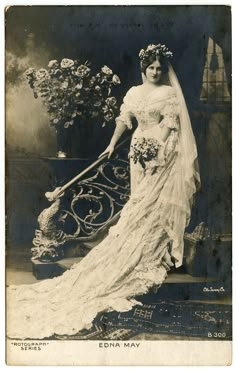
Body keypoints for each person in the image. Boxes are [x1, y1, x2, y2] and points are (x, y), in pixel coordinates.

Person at [7, 44, 200, 339]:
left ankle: (149, 252)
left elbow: (171, 125)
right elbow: (125, 119)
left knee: (152, 204)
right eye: (152, 68)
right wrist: (112, 143)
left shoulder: (169, 94)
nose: (156, 72)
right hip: (137, 151)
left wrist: (156, 149)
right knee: (138, 200)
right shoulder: (135, 93)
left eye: (160, 68)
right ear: (143, 69)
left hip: (160, 152)